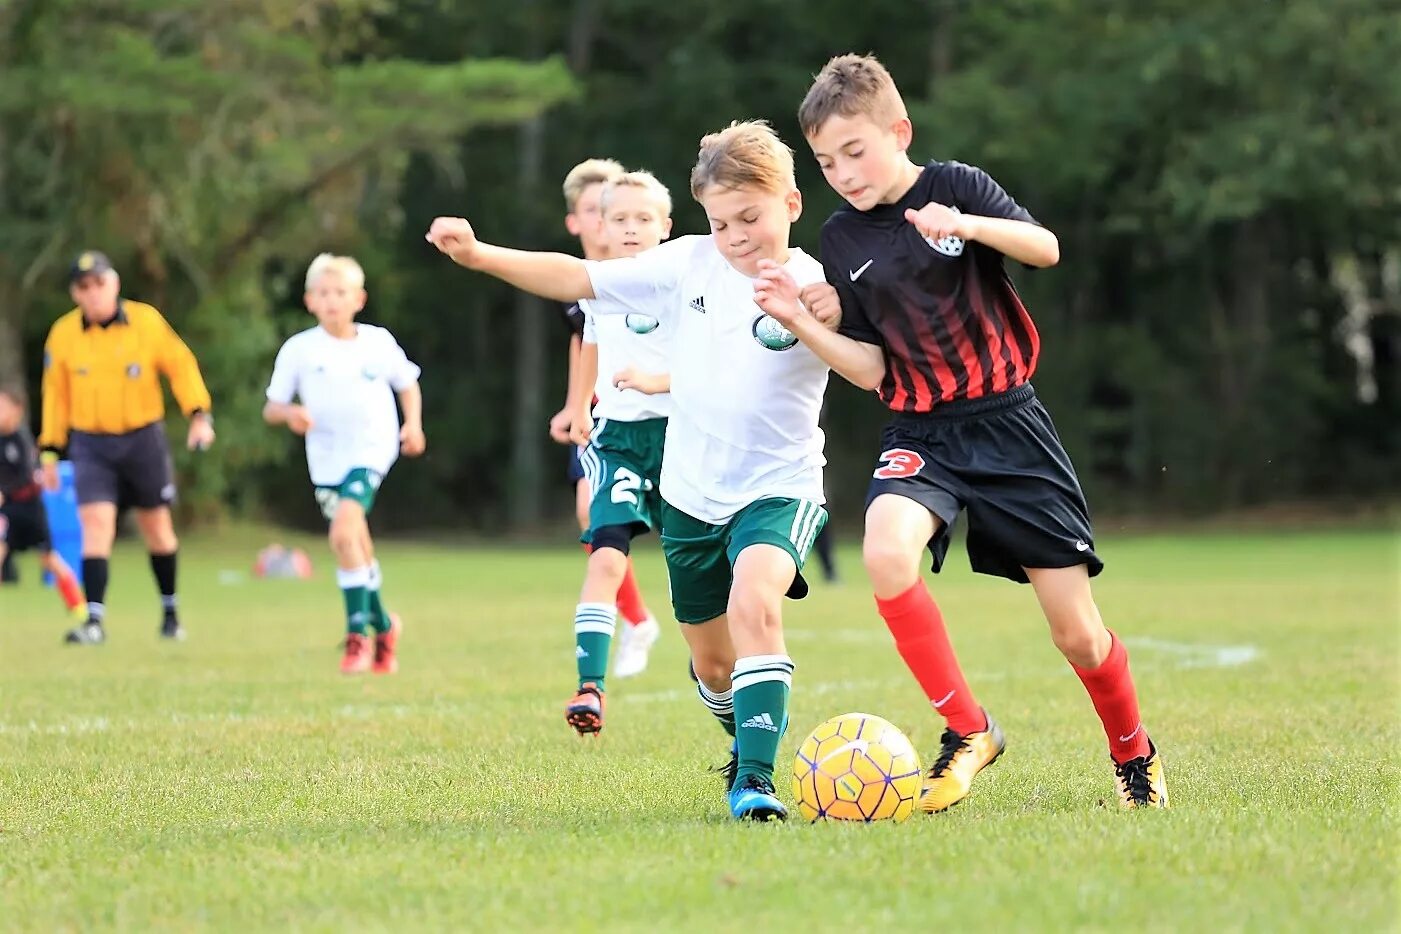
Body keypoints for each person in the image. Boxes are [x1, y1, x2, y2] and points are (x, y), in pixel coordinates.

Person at [427, 120, 842, 821]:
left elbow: (871, 357)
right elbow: (577, 275)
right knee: (712, 666)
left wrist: (829, 318)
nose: (735, 236)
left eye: (751, 217)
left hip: (780, 487)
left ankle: (756, 785)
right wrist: (478, 256)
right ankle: (744, 743)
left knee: (755, 607)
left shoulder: (818, 285)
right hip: (689, 495)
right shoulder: (685, 263)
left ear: (792, 205)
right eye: (720, 221)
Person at [783, 53, 1165, 810]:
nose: (844, 173)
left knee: (1077, 637)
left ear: (899, 131)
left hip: (1011, 429)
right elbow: (868, 368)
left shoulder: (953, 186)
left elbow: (1045, 249)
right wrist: (800, 321)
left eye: (854, 151)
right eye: (827, 162)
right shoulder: (839, 238)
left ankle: (1133, 754)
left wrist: (964, 224)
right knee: (885, 554)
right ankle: (968, 730)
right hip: (920, 428)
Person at [39, 250, 215, 645]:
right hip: (90, 443)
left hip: (141, 438)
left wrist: (199, 414)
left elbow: (180, 365)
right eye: (84, 287)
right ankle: (94, 620)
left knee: (158, 529)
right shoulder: (64, 334)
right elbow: (55, 395)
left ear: (114, 283)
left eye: (99, 283)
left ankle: (170, 611)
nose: (93, 293)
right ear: (75, 294)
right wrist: (50, 449)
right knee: (96, 527)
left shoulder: (146, 322)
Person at [264, 253, 425, 675]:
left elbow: (407, 384)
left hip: (372, 450)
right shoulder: (299, 349)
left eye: (340, 293)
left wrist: (413, 425)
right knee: (354, 544)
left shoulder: (378, 342)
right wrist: (291, 415)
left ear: (359, 299)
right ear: (309, 300)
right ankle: (385, 627)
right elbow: (272, 407)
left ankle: (357, 639)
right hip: (326, 459)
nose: (332, 300)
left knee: (341, 533)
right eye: (323, 293)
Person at [557, 170, 674, 734]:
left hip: (686, 438)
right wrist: (580, 406)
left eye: (643, 220)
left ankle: (727, 678)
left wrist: (659, 381)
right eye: (620, 220)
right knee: (604, 554)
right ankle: (590, 689)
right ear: (602, 226)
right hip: (620, 441)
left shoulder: (687, 280)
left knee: (707, 575)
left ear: (666, 227)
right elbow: (591, 344)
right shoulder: (599, 284)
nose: (631, 230)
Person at [0, 385, 86, 619]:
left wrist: (4, 492)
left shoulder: (22, 441)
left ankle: (78, 605)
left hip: (30, 509)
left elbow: (27, 477)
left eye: (3, 406)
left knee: (48, 558)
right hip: (7, 511)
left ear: (17, 410)